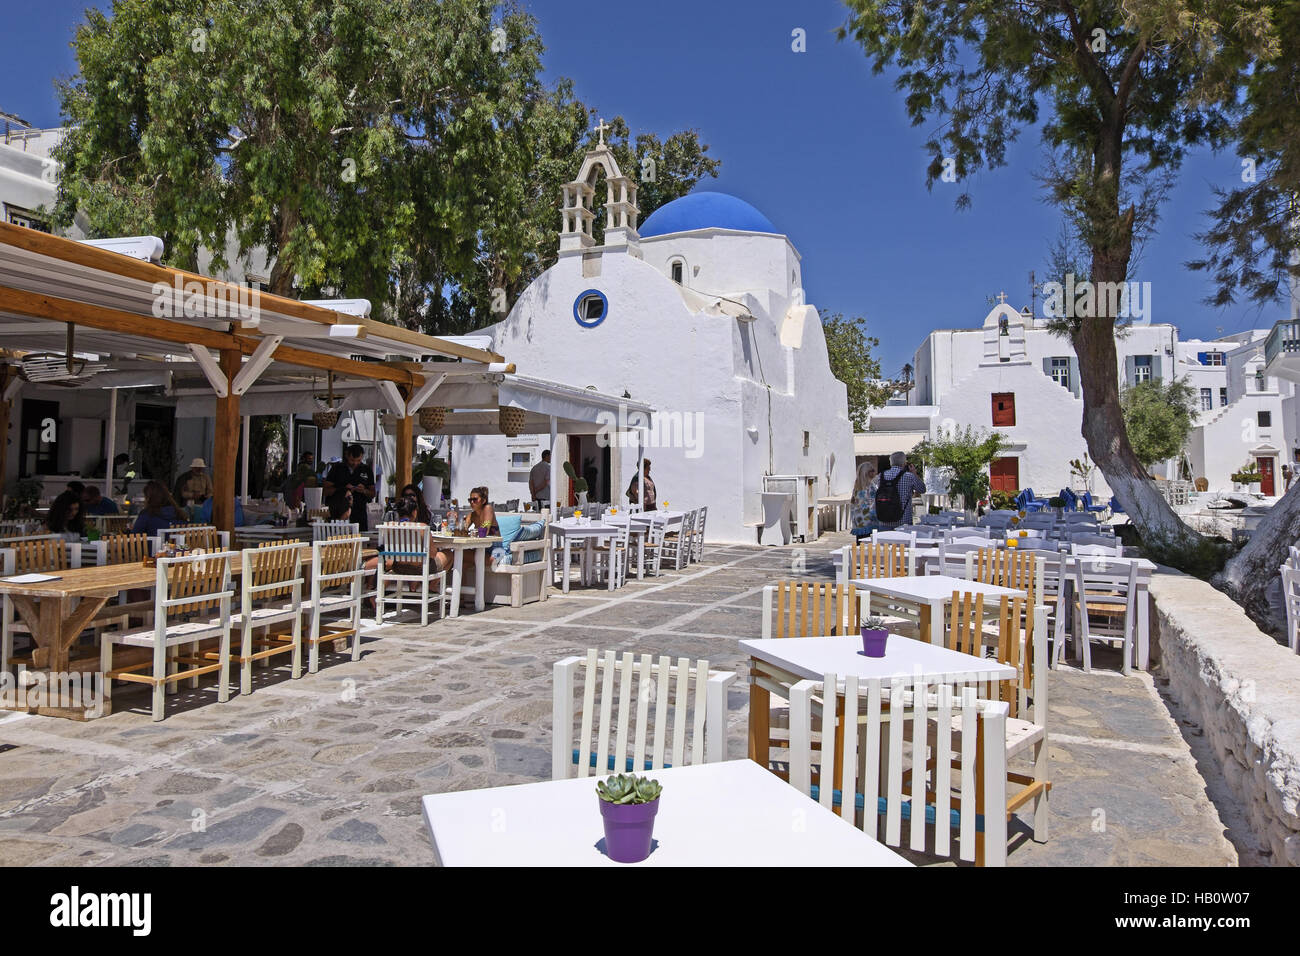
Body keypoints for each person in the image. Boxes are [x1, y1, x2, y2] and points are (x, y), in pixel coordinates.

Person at [434, 486, 498, 576]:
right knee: (462, 563)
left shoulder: (488, 508)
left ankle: (435, 581)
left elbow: (485, 531)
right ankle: (458, 589)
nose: (472, 502)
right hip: (480, 548)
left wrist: (471, 532)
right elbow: (461, 530)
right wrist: (454, 519)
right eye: (470, 500)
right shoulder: (471, 515)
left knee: (456, 554)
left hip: (493, 550)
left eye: (475, 499)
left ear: (483, 501)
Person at [323, 444, 376, 533]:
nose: (355, 463)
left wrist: (364, 490)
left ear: (362, 457)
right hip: (339, 512)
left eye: (358, 460)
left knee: (359, 539)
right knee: (337, 538)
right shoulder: (337, 468)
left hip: (359, 511)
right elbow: (326, 490)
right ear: (346, 455)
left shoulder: (366, 470)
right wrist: (342, 489)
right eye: (352, 460)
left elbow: (373, 493)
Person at [873, 451, 926, 530]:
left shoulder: (881, 476)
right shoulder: (909, 476)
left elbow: (873, 490)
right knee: (903, 542)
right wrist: (914, 473)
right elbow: (922, 489)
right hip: (903, 521)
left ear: (891, 462)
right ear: (904, 463)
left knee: (885, 542)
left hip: (884, 519)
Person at [849, 461, 878, 538]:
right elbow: (872, 503)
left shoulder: (857, 487)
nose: (874, 472)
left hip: (859, 522)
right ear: (866, 473)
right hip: (869, 522)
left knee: (861, 546)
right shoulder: (870, 487)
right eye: (872, 470)